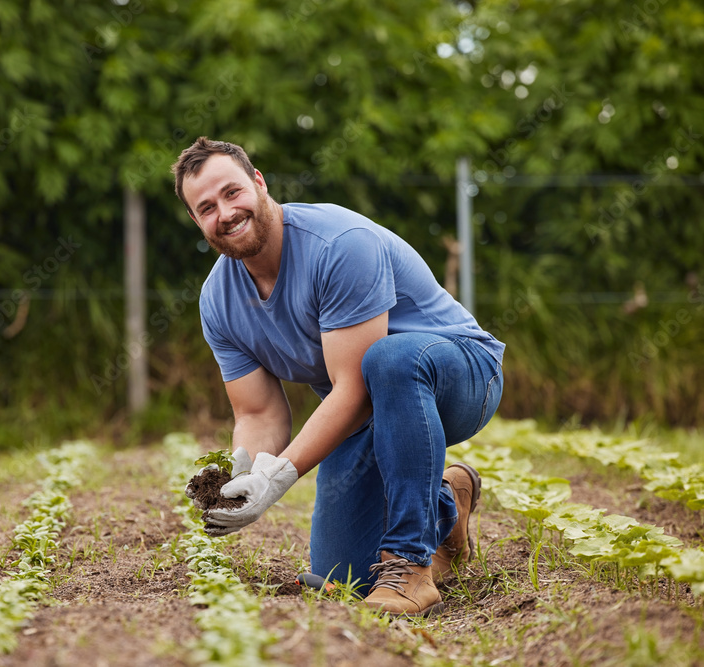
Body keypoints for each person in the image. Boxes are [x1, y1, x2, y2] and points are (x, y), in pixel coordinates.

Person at [173, 137, 504, 617]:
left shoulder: (339, 245)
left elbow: (354, 388)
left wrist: (281, 476)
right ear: (196, 221)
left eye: (232, 193)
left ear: (259, 183)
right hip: (366, 410)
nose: (224, 212)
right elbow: (258, 411)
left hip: (461, 375)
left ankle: (411, 565)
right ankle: (445, 505)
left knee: (388, 359)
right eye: (205, 207)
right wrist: (242, 473)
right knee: (341, 574)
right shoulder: (218, 301)